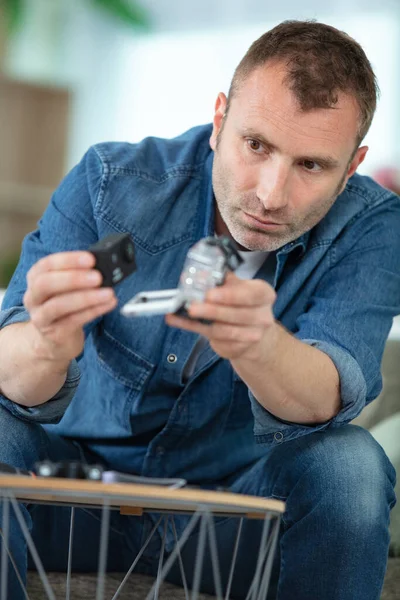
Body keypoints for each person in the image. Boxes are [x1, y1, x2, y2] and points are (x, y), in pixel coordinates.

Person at [0, 19, 398, 600]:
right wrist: (46, 345)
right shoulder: (111, 183)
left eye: (311, 165)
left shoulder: (372, 227)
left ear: (352, 166)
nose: (269, 194)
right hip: (69, 500)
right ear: (218, 121)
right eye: (255, 145)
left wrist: (257, 345)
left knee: (350, 466)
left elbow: (325, 400)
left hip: (233, 520)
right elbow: (11, 377)